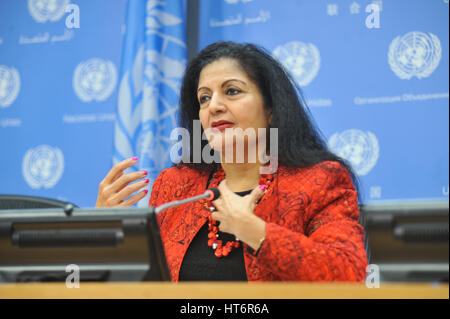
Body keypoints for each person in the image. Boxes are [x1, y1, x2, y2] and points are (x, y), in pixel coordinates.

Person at [96, 41, 368, 282]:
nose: (214, 106)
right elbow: (142, 284)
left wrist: (255, 232)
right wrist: (100, 230)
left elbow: (348, 274)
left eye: (232, 91)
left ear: (271, 110)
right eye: (204, 97)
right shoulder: (177, 186)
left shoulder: (319, 181)